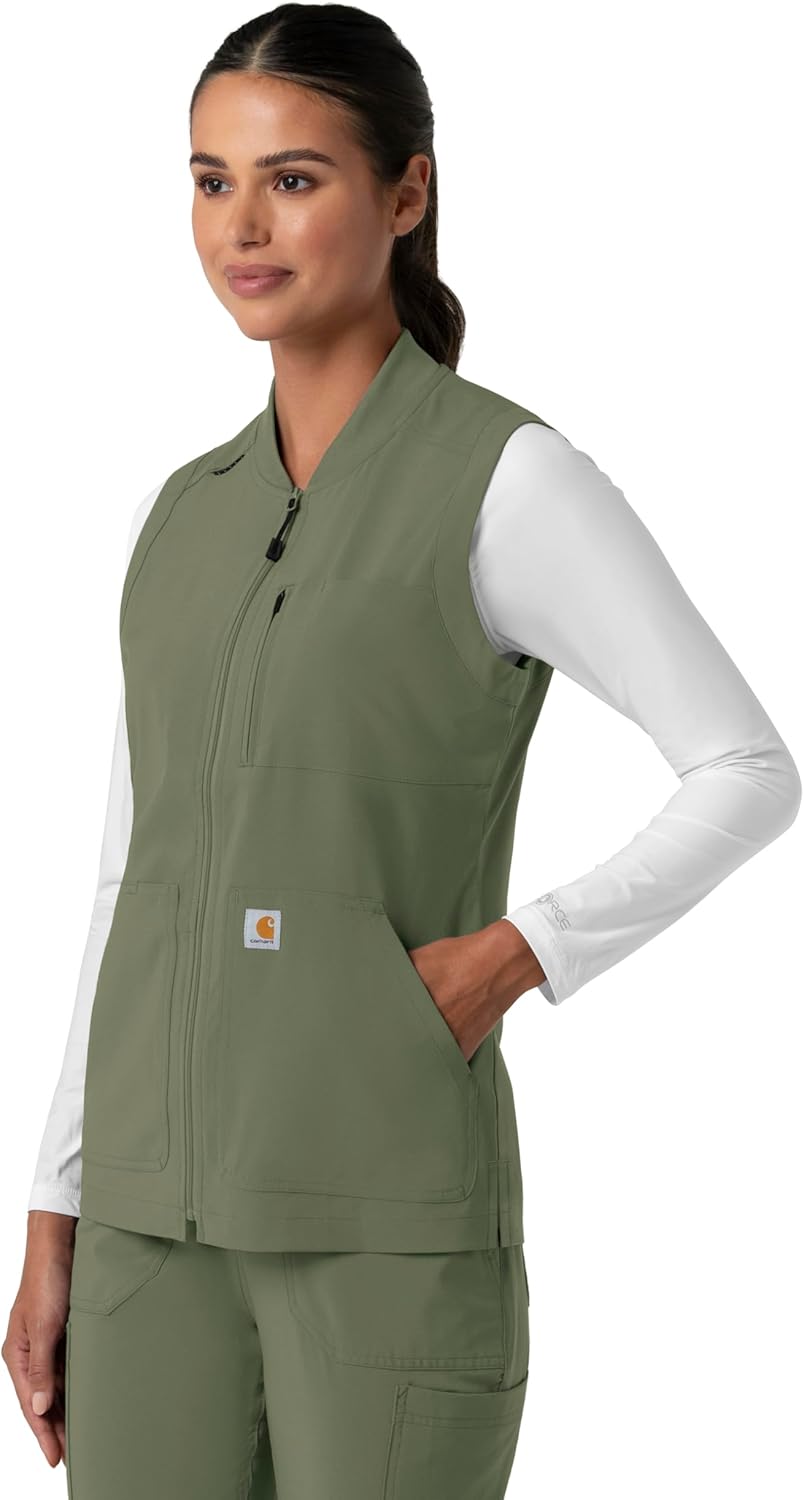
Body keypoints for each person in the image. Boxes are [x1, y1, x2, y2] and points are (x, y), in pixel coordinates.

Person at [3, 5, 800, 1496]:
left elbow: (749, 770)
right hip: (146, 1239)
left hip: (382, 1222)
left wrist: (518, 954)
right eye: (211, 180)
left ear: (408, 193)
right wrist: (55, 1208)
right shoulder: (184, 513)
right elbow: (129, 881)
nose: (242, 226)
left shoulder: (507, 480)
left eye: (294, 179)